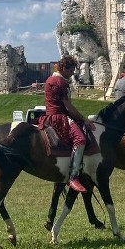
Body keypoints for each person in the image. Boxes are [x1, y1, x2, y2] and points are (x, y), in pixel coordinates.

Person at [41, 55, 93, 193]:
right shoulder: (61, 82)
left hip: (48, 117)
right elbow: (68, 107)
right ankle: (73, 176)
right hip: (60, 118)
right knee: (80, 139)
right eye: (71, 70)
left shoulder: (49, 79)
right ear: (64, 68)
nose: (72, 73)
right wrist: (84, 119)